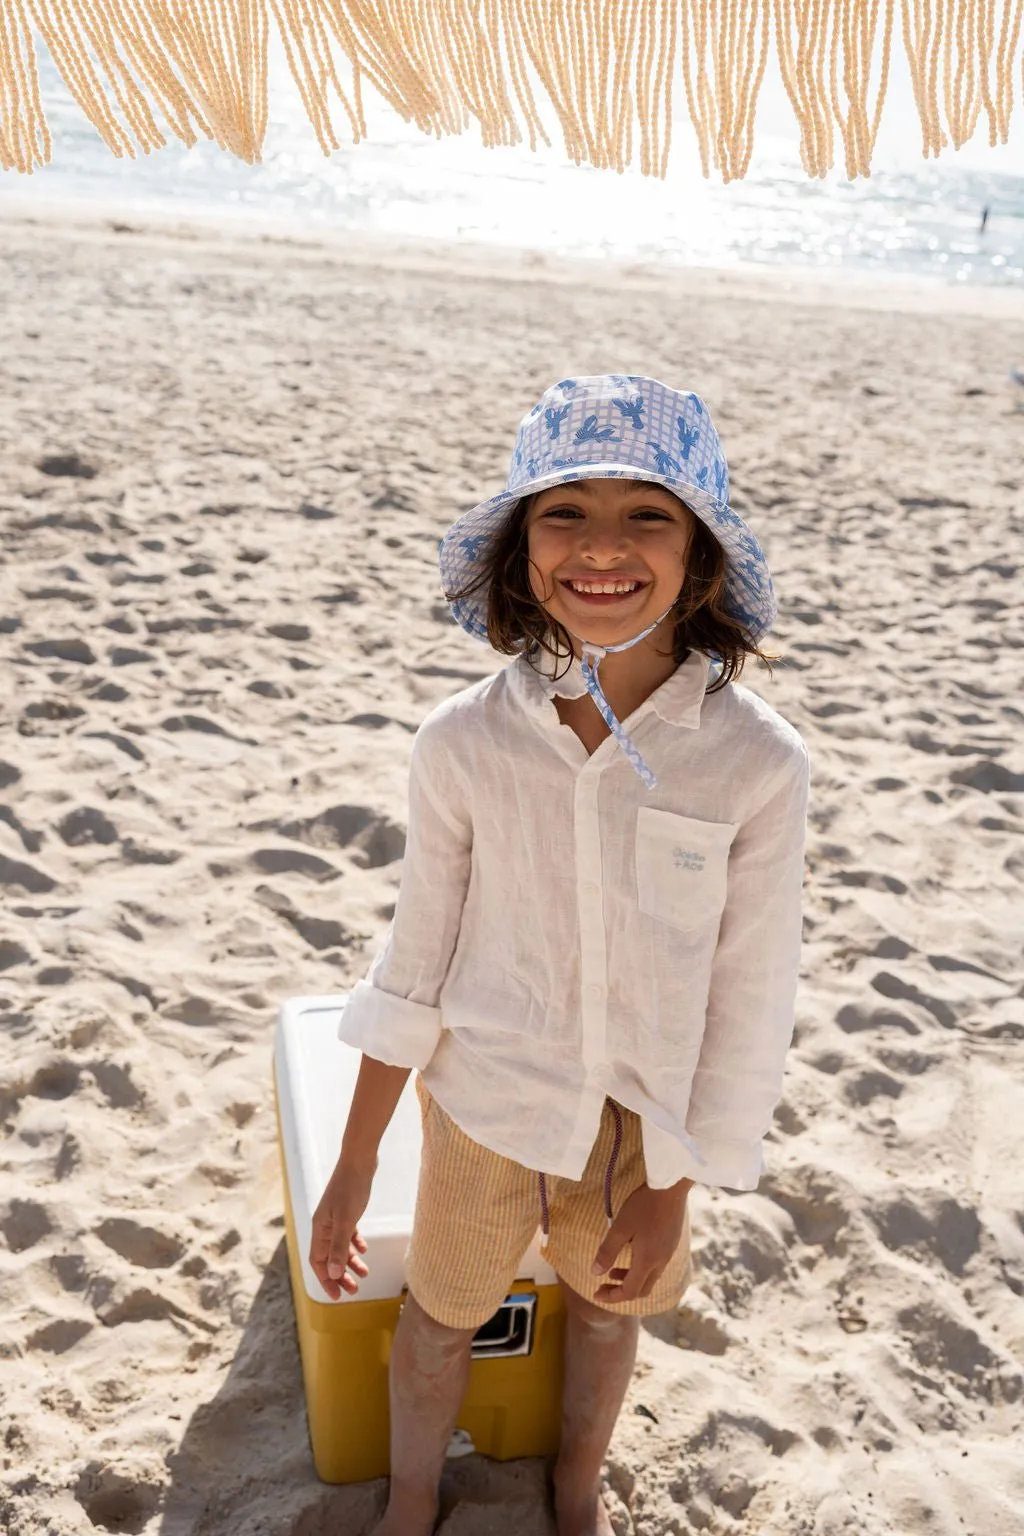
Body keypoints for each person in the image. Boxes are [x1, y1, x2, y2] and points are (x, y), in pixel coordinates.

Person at [309, 375, 810, 1536]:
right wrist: (353, 1163)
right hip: (482, 1105)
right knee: (437, 1317)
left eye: (647, 514)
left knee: (601, 1312)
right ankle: (413, 1498)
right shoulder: (462, 742)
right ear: (521, 548)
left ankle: (575, 1492)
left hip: (643, 1129)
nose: (602, 547)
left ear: (701, 558)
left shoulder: (755, 765)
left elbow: (748, 1003)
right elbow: (414, 962)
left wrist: (675, 1188)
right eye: (563, 511)